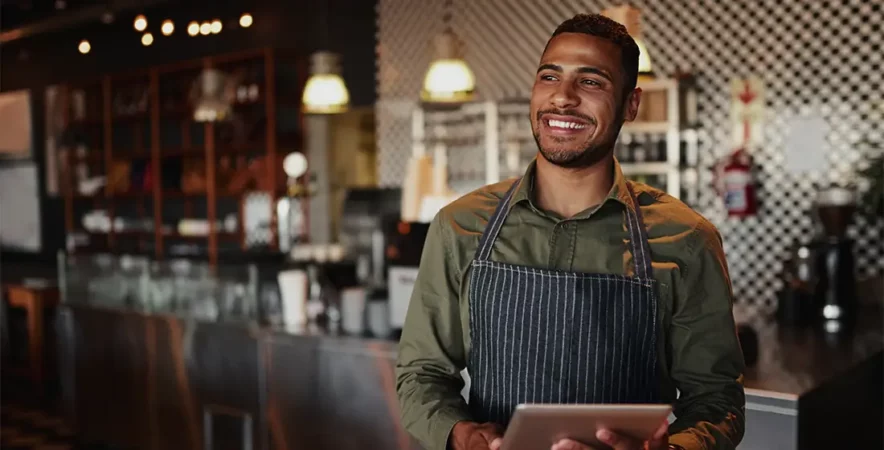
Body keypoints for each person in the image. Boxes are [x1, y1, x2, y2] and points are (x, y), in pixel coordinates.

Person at [396, 13, 745, 450]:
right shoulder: (460, 226)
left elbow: (717, 401)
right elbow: (420, 374)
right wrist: (460, 434)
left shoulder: (687, 239)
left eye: (591, 82)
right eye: (549, 76)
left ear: (630, 105)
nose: (562, 98)